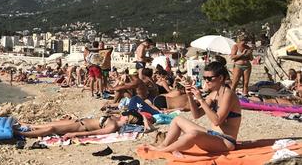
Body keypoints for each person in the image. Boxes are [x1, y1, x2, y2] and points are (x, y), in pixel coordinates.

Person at [145, 61, 242, 153]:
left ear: (220, 78)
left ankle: (162, 150)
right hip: (212, 135)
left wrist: (200, 100)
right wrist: (190, 96)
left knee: (193, 134)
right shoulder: (213, 94)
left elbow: (217, 121)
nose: (206, 81)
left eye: (209, 78)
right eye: (205, 78)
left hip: (225, 141)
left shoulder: (228, 94)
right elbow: (197, 115)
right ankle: (163, 145)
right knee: (177, 119)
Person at [14, 111, 145, 138]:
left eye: (128, 115)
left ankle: (21, 133)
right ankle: (28, 125)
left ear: (129, 119)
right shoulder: (115, 118)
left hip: (80, 127)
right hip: (78, 121)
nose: (125, 114)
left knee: (51, 128)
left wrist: (74, 134)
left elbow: (93, 133)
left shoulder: (113, 126)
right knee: (48, 123)